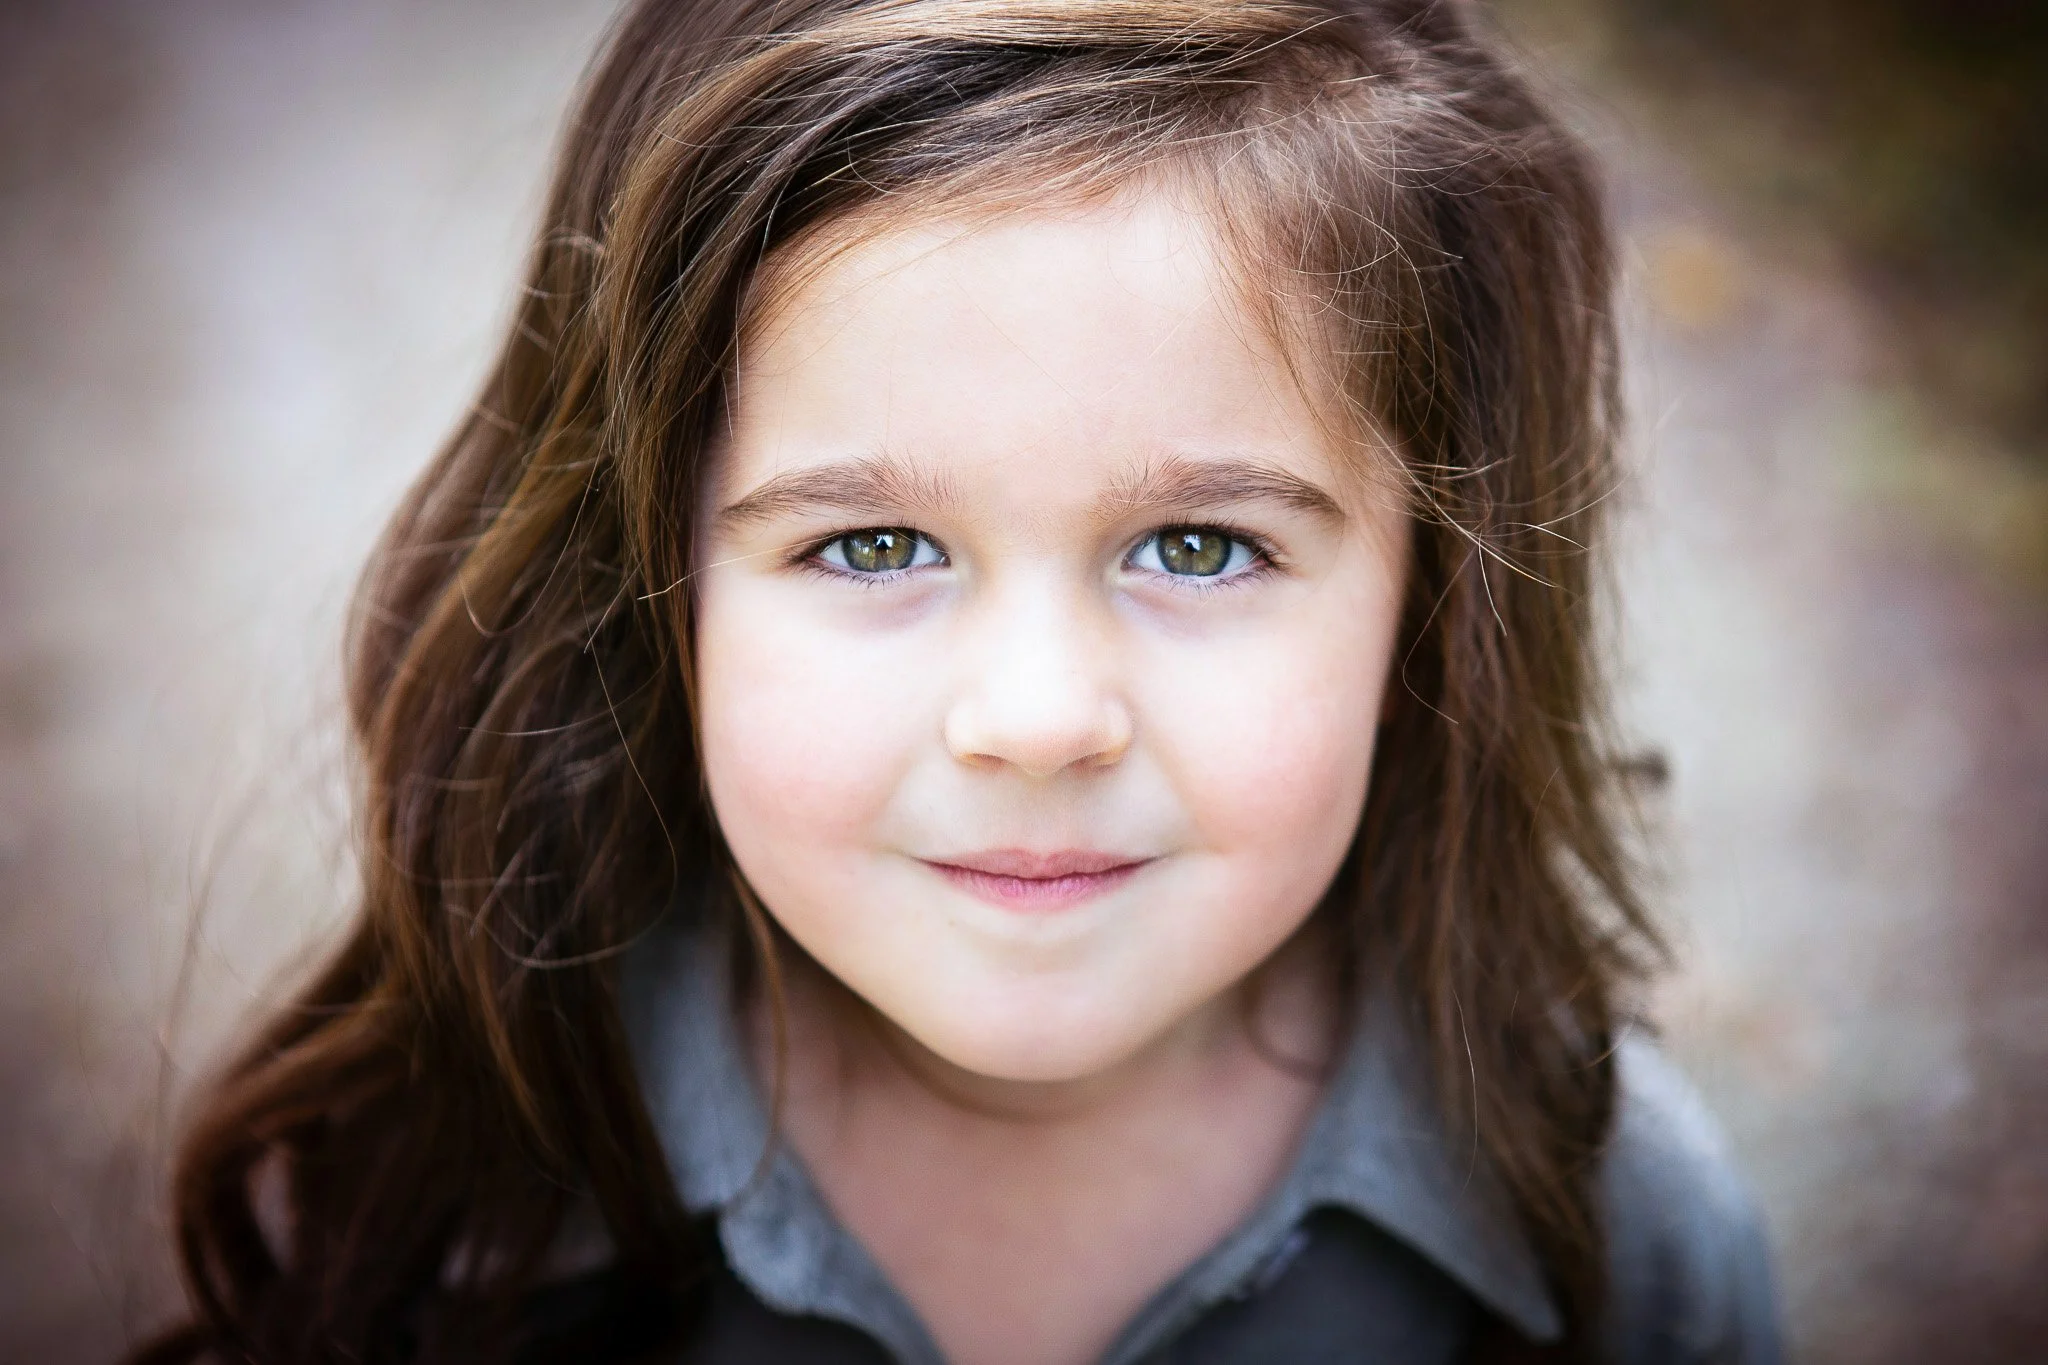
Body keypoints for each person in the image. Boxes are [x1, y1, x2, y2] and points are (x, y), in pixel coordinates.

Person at [132, 0, 1783, 1361]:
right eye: (870, 548)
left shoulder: (1610, 1229)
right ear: (651, 586)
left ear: (1436, 600)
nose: (1040, 719)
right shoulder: (458, 1193)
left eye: (1200, 548)